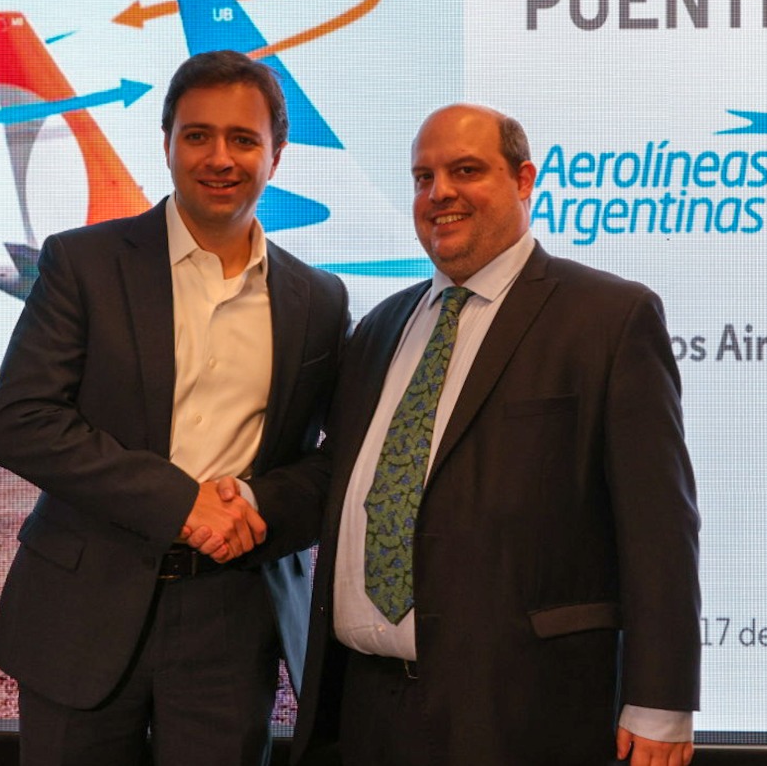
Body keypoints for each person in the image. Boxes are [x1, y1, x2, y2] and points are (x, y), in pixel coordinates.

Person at [289, 104, 700, 766]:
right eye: (423, 177)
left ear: (523, 179)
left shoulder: (609, 319)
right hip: (368, 710)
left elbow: (659, 525)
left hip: (524, 713)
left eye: (466, 171)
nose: (440, 193)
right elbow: (336, 478)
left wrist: (660, 700)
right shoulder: (379, 330)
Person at [0, 49, 348, 766]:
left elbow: (335, 462)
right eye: (197, 135)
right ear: (168, 144)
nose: (220, 157)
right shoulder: (84, 262)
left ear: (277, 155)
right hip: (83, 605)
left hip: (233, 615)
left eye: (243, 139)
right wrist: (181, 503)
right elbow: (20, 421)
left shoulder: (319, 299)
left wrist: (253, 504)